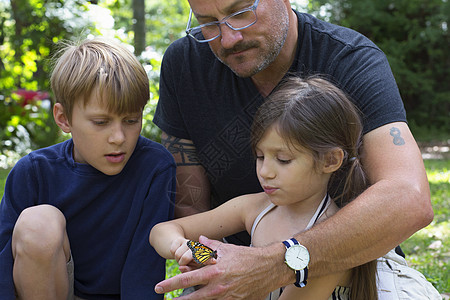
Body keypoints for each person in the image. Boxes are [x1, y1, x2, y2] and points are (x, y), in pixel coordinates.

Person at [152, 0, 434, 298]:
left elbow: (409, 198)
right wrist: (202, 260)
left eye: (241, 13)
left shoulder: (350, 58)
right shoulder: (185, 65)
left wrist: (272, 264)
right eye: (208, 22)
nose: (228, 38)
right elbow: (188, 217)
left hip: (330, 265)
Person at [0, 37, 176, 300]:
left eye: (131, 120)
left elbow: (144, 266)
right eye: (101, 122)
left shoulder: (154, 166)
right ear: (64, 118)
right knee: (38, 222)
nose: (118, 137)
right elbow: (3, 265)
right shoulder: (33, 172)